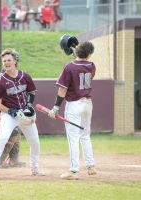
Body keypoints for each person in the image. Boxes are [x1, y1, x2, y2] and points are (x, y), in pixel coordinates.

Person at [0, 48, 44, 179]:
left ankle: (35, 168)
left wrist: (28, 105)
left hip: (24, 114)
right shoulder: (0, 80)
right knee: (3, 137)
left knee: (35, 142)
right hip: (9, 115)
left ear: (15, 61)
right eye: (4, 61)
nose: (6, 63)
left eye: (9, 60)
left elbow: (32, 92)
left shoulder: (25, 76)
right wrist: (9, 110)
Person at [48, 40, 97, 180]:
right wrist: (77, 53)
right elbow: (82, 66)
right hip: (88, 103)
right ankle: (91, 165)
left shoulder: (69, 67)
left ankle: (74, 170)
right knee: (85, 135)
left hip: (74, 104)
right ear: (89, 54)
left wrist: (56, 107)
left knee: (73, 137)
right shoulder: (92, 65)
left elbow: (62, 89)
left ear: (77, 52)